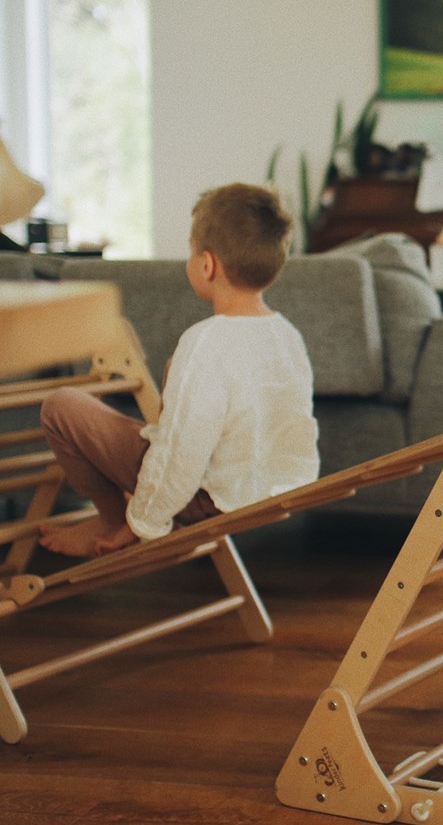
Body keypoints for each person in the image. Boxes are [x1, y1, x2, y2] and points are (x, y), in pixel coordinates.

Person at [38, 183, 320, 557]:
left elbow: (180, 455)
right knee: (178, 373)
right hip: (280, 490)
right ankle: (137, 499)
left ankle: (110, 518)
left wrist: (142, 523)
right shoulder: (287, 334)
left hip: (209, 500)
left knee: (62, 406)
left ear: (207, 265)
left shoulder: (204, 342)